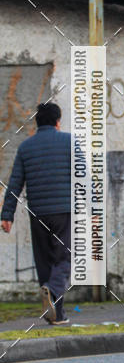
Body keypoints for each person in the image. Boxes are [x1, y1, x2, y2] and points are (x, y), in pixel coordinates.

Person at [1, 102, 72, 325]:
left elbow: (15, 183)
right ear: (58, 122)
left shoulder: (25, 147)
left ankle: (56, 314)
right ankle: (51, 290)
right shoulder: (70, 142)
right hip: (62, 211)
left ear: (37, 122)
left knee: (44, 261)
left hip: (38, 213)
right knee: (63, 258)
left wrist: (7, 214)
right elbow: (84, 178)